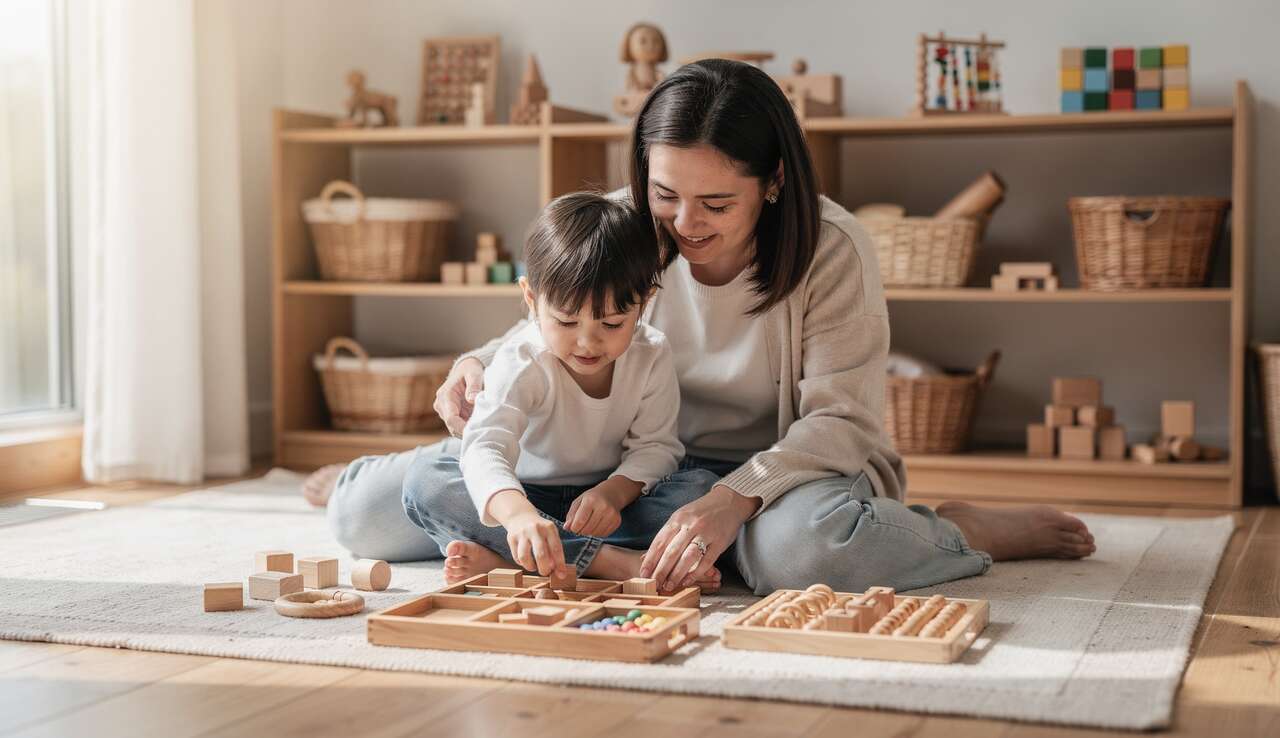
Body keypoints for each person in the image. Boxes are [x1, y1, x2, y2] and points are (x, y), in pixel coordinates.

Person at [310, 59, 1095, 595]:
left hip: (770, 483)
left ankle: (946, 530)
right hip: (611, 472)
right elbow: (550, 319)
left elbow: (843, 423)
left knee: (807, 550)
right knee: (370, 513)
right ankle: (611, 560)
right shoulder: (624, 223)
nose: (684, 225)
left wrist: (732, 501)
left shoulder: (831, 248)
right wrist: (474, 362)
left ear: (775, 182)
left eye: (716, 204)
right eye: (665, 195)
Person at [400, 192, 718, 587]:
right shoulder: (522, 358)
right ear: (531, 299)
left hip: (609, 501)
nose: (588, 343)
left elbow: (656, 448)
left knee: (701, 490)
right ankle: (608, 562)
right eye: (567, 323)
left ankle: (516, 559)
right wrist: (518, 517)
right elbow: (486, 447)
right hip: (527, 494)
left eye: (613, 324)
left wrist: (612, 494)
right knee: (426, 483)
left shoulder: (651, 353)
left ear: (644, 303)